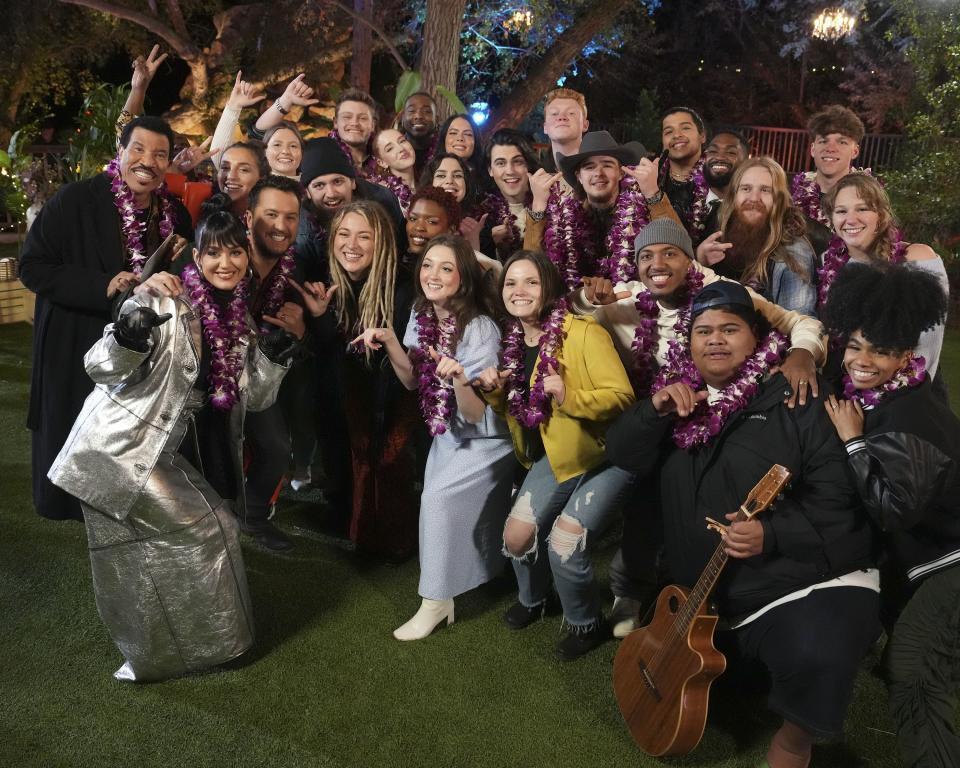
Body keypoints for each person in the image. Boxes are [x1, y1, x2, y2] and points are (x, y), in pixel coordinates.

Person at [606, 280, 879, 768]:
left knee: (816, 652)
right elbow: (621, 453)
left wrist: (771, 534)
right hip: (704, 596)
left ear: (757, 338)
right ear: (686, 343)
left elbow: (841, 502)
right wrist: (653, 411)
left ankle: (795, 739)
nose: (715, 339)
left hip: (788, 584)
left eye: (730, 329)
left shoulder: (799, 397)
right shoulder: (677, 401)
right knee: (709, 685)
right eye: (703, 330)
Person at [47, 207, 294, 682]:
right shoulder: (165, 302)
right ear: (196, 259)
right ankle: (189, 649)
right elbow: (99, 366)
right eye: (214, 253)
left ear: (247, 256)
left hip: (156, 451)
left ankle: (195, 646)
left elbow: (256, 397)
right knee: (207, 526)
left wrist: (275, 358)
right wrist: (126, 335)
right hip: (117, 448)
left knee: (193, 532)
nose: (226, 262)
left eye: (235, 251)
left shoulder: (238, 321)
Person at [572, 218, 826, 636]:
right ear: (635, 265)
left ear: (689, 260)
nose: (658, 263)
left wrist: (802, 352)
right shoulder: (628, 298)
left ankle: (710, 590)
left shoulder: (721, 290)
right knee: (644, 493)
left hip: (721, 405)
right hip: (655, 414)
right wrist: (585, 296)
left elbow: (799, 322)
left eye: (670, 253)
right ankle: (630, 591)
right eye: (646, 256)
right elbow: (569, 311)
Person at [20, 115, 193, 521]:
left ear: (169, 163)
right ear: (120, 151)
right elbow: (32, 267)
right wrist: (103, 284)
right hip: (73, 335)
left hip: (135, 345)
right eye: (138, 149)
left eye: (159, 154)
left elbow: (182, 274)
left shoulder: (174, 214)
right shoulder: (74, 200)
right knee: (69, 420)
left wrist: (181, 253)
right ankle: (63, 502)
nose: (147, 161)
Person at [820, 264, 959, 768]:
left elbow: (893, 510)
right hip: (930, 561)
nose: (861, 360)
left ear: (905, 356)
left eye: (878, 350)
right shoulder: (883, 393)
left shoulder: (909, 412)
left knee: (913, 674)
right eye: (854, 345)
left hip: (951, 563)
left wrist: (854, 443)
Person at [474, 251, 636, 660]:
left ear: (548, 287)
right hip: (558, 456)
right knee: (516, 536)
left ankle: (585, 622)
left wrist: (569, 395)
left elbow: (622, 396)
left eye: (530, 282)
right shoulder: (512, 343)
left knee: (564, 543)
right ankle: (536, 599)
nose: (519, 291)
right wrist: (493, 390)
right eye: (511, 283)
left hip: (605, 456)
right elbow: (518, 411)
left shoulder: (582, 332)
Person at [354, 235, 514, 640]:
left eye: (446, 267)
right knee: (436, 503)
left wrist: (459, 375)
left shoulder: (479, 329)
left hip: (486, 440)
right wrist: (390, 340)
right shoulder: (421, 313)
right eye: (428, 265)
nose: (433, 275)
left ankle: (436, 602)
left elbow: (478, 412)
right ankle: (443, 595)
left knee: (437, 501)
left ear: (463, 278)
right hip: (449, 436)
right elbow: (412, 380)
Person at [297, 200, 422, 561]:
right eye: (344, 234)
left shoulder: (401, 288)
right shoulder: (329, 284)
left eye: (364, 236)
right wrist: (321, 317)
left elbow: (402, 369)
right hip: (347, 399)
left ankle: (391, 535)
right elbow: (334, 355)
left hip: (393, 398)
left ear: (381, 243)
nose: (351, 244)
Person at [818, 173, 948, 383]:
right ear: (831, 220)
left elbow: (927, 347)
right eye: (841, 211)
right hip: (846, 385)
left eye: (862, 209)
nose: (851, 219)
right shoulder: (827, 262)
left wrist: (878, 404)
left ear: (880, 215)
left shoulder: (917, 258)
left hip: (903, 394)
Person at [529, 131, 681, 289]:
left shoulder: (643, 210)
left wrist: (652, 193)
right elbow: (531, 269)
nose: (598, 173)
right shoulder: (563, 219)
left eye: (607, 165)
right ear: (579, 176)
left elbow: (680, 250)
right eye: (589, 167)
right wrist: (538, 205)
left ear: (621, 172)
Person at [696, 157, 817, 315]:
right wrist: (699, 262)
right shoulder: (716, 229)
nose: (754, 198)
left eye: (765, 190)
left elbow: (801, 326)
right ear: (733, 195)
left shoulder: (793, 252)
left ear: (778, 200)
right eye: (746, 189)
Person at [791, 105, 866, 226]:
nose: (830, 148)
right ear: (813, 149)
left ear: (855, 151)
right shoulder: (790, 194)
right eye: (823, 141)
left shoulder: (869, 196)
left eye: (842, 142)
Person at [483, 128, 540, 259]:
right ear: (490, 170)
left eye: (517, 161)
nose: (510, 171)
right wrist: (495, 246)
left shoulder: (551, 204)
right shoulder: (483, 216)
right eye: (501, 163)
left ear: (528, 165)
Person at [657, 106, 710, 239]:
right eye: (668, 132)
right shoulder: (650, 179)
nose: (677, 135)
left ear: (702, 136)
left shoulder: (718, 180)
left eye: (685, 128)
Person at [699, 127, 750, 239]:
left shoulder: (753, 209)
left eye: (731, 152)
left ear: (746, 162)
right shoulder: (685, 202)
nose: (719, 157)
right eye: (712, 151)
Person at [329, 88, 380, 177]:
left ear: (372, 125)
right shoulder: (322, 158)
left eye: (363, 118)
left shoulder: (385, 159)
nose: (355, 123)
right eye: (347, 117)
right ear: (335, 123)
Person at [372, 127, 417, 216]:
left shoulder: (430, 181)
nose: (401, 148)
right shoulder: (382, 196)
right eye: (390, 149)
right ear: (382, 162)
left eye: (402, 141)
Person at [399, 91, 438, 173]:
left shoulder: (444, 151)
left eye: (427, 111)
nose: (419, 116)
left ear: (436, 120)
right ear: (402, 118)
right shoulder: (392, 152)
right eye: (412, 111)